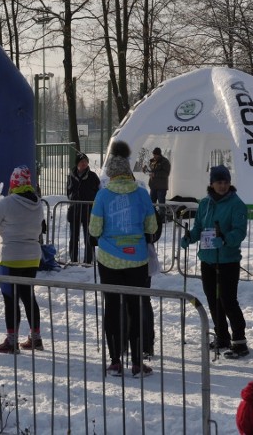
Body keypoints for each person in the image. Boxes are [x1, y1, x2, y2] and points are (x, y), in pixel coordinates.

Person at [89, 140, 157, 377]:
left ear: (110, 173)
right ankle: (138, 362)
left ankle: (115, 360)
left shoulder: (103, 196)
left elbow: (94, 229)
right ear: (128, 172)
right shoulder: (141, 193)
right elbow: (152, 225)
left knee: (112, 308)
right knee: (135, 307)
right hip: (137, 259)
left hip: (109, 259)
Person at [180, 165, 249, 359]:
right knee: (213, 300)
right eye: (219, 182)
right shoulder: (205, 203)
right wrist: (189, 238)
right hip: (208, 259)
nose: (223, 185)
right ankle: (222, 335)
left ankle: (240, 340)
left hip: (227, 260)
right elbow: (199, 228)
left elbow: (240, 231)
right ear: (212, 183)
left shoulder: (236, 204)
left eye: (226, 182)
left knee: (228, 300)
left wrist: (226, 239)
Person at [0, 165, 44, 353]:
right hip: (32, 256)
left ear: (13, 183)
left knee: (11, 299)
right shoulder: (38, 204)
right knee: (28, 297)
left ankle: (12, 341)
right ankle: (36, 338)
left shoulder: (7, 202)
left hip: (10, 257)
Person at [66, 153, 100, 264]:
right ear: (77, 163)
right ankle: (73, 259)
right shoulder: (71, 176)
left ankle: (88, 260)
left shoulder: (93, 176)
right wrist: (72, 197)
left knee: (88, 237)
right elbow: (68, 191)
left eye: (85, 161)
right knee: (73, 237)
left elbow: (99, 191)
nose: (84, 163)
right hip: (74, 210)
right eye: (82, 161)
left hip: (88, 210)